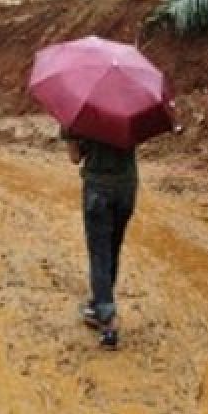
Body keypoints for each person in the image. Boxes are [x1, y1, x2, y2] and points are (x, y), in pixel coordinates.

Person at [64, 130, 139, 350]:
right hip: (127, 187)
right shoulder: (131, 108)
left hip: (98, 188)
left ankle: (108, 322)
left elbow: (75, 157)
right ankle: (100, 303)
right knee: (113, 247)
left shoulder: (82, 115)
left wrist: (71, 135)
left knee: (99, 252)